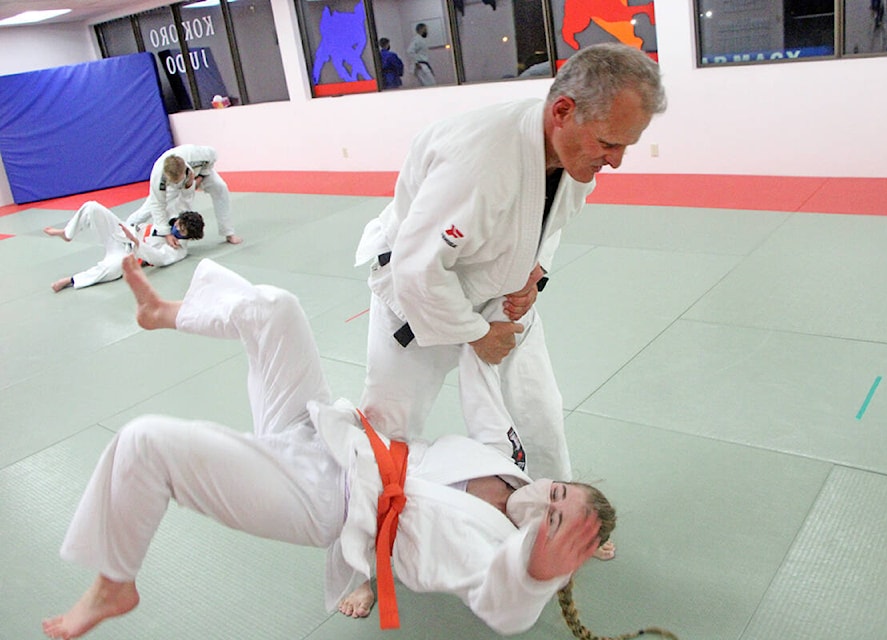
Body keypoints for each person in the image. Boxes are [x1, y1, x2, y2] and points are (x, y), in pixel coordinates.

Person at [39, 256, 676, 640]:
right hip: (330, 434)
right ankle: (165, 312)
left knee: (145, 442)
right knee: (276, 309)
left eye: (554, 519)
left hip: (329, 497)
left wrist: (538, 570)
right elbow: (484, 381)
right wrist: (494, 312)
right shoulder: (505, 466)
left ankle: (113, 582)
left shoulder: (496, 553)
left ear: (554, 548)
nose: (545, 501)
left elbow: (505, 603)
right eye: (558, 491)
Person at [354, 43, 667, 481]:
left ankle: (549, 513)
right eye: (609, 144)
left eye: (625, 147)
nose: (615, 161)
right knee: (390, 420)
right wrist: (476, 335)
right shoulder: (479, 164)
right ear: (562, 111)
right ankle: (373, 520)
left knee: (538, 412)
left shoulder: (574, 157)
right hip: (420, 298)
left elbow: (548, 224)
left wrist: (534, 272)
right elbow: (418, 266)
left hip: (502, 296)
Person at [43, 201, 204, 293]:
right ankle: (67, 233)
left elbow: (159, 259)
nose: (177, 229)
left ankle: (71, 280)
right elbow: (154, 205)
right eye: (179, 224)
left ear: (188, 237)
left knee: (114, 268)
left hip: (130, 252)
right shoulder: (166, 218)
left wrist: (136, 241)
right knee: (93, 207)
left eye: (182, 231)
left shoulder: (179, 250)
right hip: (123, 231)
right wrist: (132, 226)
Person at [125, 144, 242, 246]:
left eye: (178, 180)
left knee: (220, 187)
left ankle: (228, 232)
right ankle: (127, 227)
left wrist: (201, 176)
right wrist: (166, 234)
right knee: (149, 208)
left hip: (197, 174)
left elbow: (212, 157)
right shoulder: (158, 177)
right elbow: (158, 205)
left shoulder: (198, 154)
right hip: (171, 185)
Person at [407, 22, 436, 86]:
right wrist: (416, 62)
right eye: (425, 29)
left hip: (423, 65)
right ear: (421, 29)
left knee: (430, 84)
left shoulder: (421, 39)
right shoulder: (417, 39)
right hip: (421, 66)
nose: (426, 31)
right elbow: (409, 51)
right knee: (431, 84)